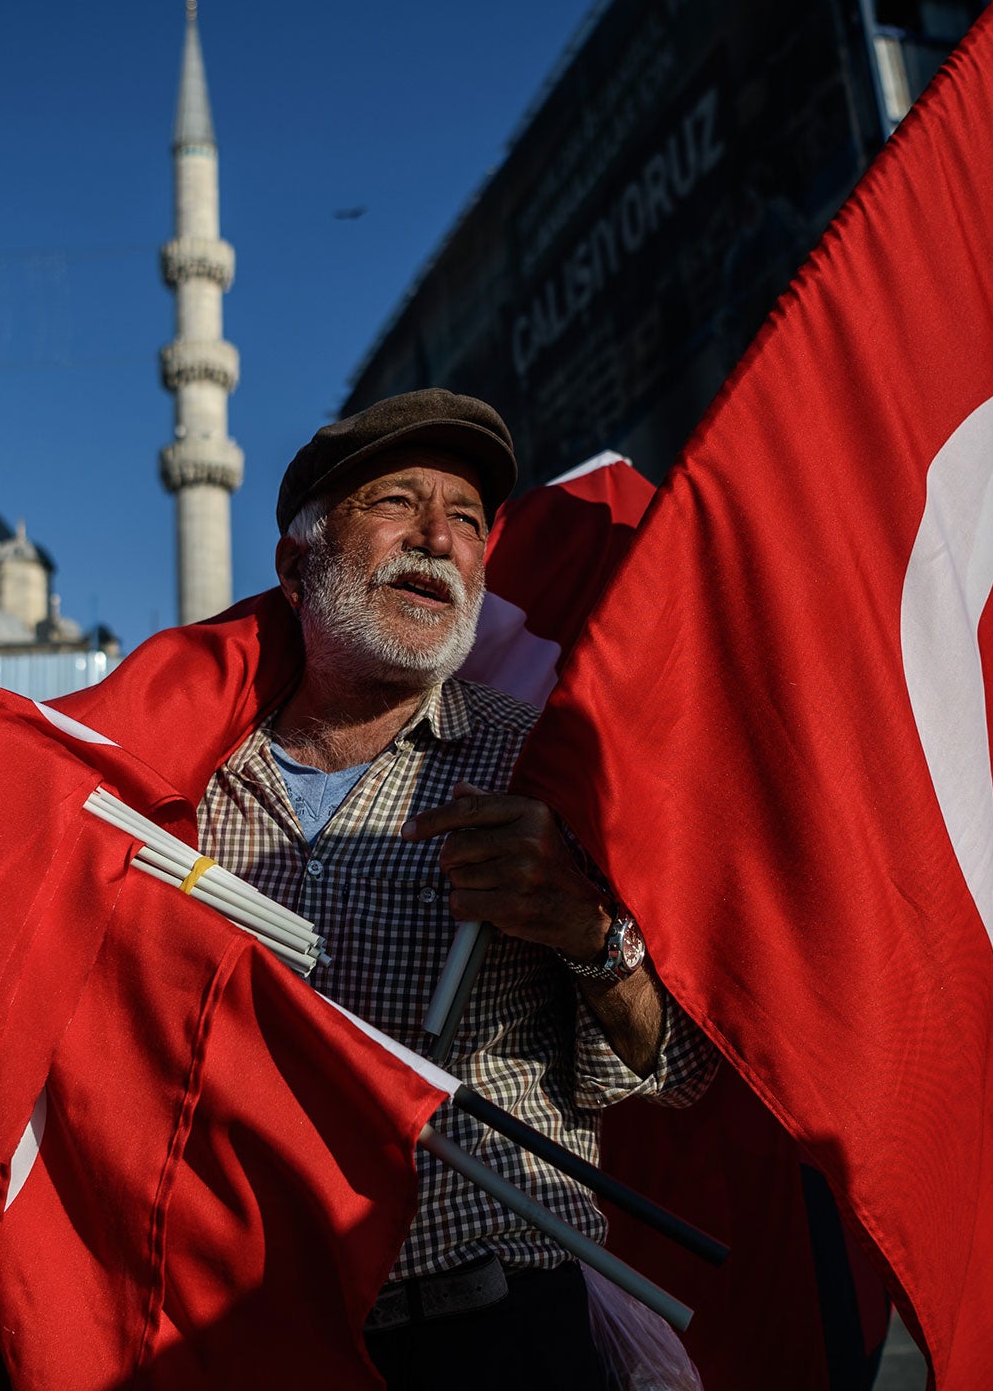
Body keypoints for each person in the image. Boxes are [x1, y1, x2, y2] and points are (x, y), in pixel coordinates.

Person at [195, 390, 717, 1388]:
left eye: (469, 518)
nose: (438, 535)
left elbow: (678, 1065)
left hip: (494, 1333)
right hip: (247, 1333)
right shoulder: (183, 774)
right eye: (396, 501)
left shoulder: (546, 772)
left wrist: (582, 927)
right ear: (297, 561)